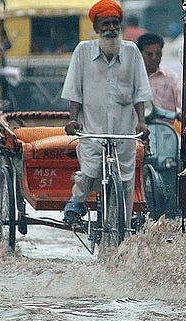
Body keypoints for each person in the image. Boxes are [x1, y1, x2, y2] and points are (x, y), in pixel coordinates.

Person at [61, 0, 152, 226]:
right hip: (93, 129)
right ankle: (77, 200)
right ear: (96, 28)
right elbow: (75, 92)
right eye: (106, 24)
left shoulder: (132, 52)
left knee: (126, 179)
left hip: (124, 131)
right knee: (90, 172)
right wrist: (73, 120)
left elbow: (140, 92)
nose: (111, 29)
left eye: (115, 23)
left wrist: (141, 122)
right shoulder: (83, 51)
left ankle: (123, 227)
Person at [136, 33, 182, 126]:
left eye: (158, 54)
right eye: (149, 54)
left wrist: (182, 113)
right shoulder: (133, 77)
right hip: (137, 129)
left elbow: (181, 102)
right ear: (139, 54)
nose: (154, 58)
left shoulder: (171, 77)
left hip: (165, 131)